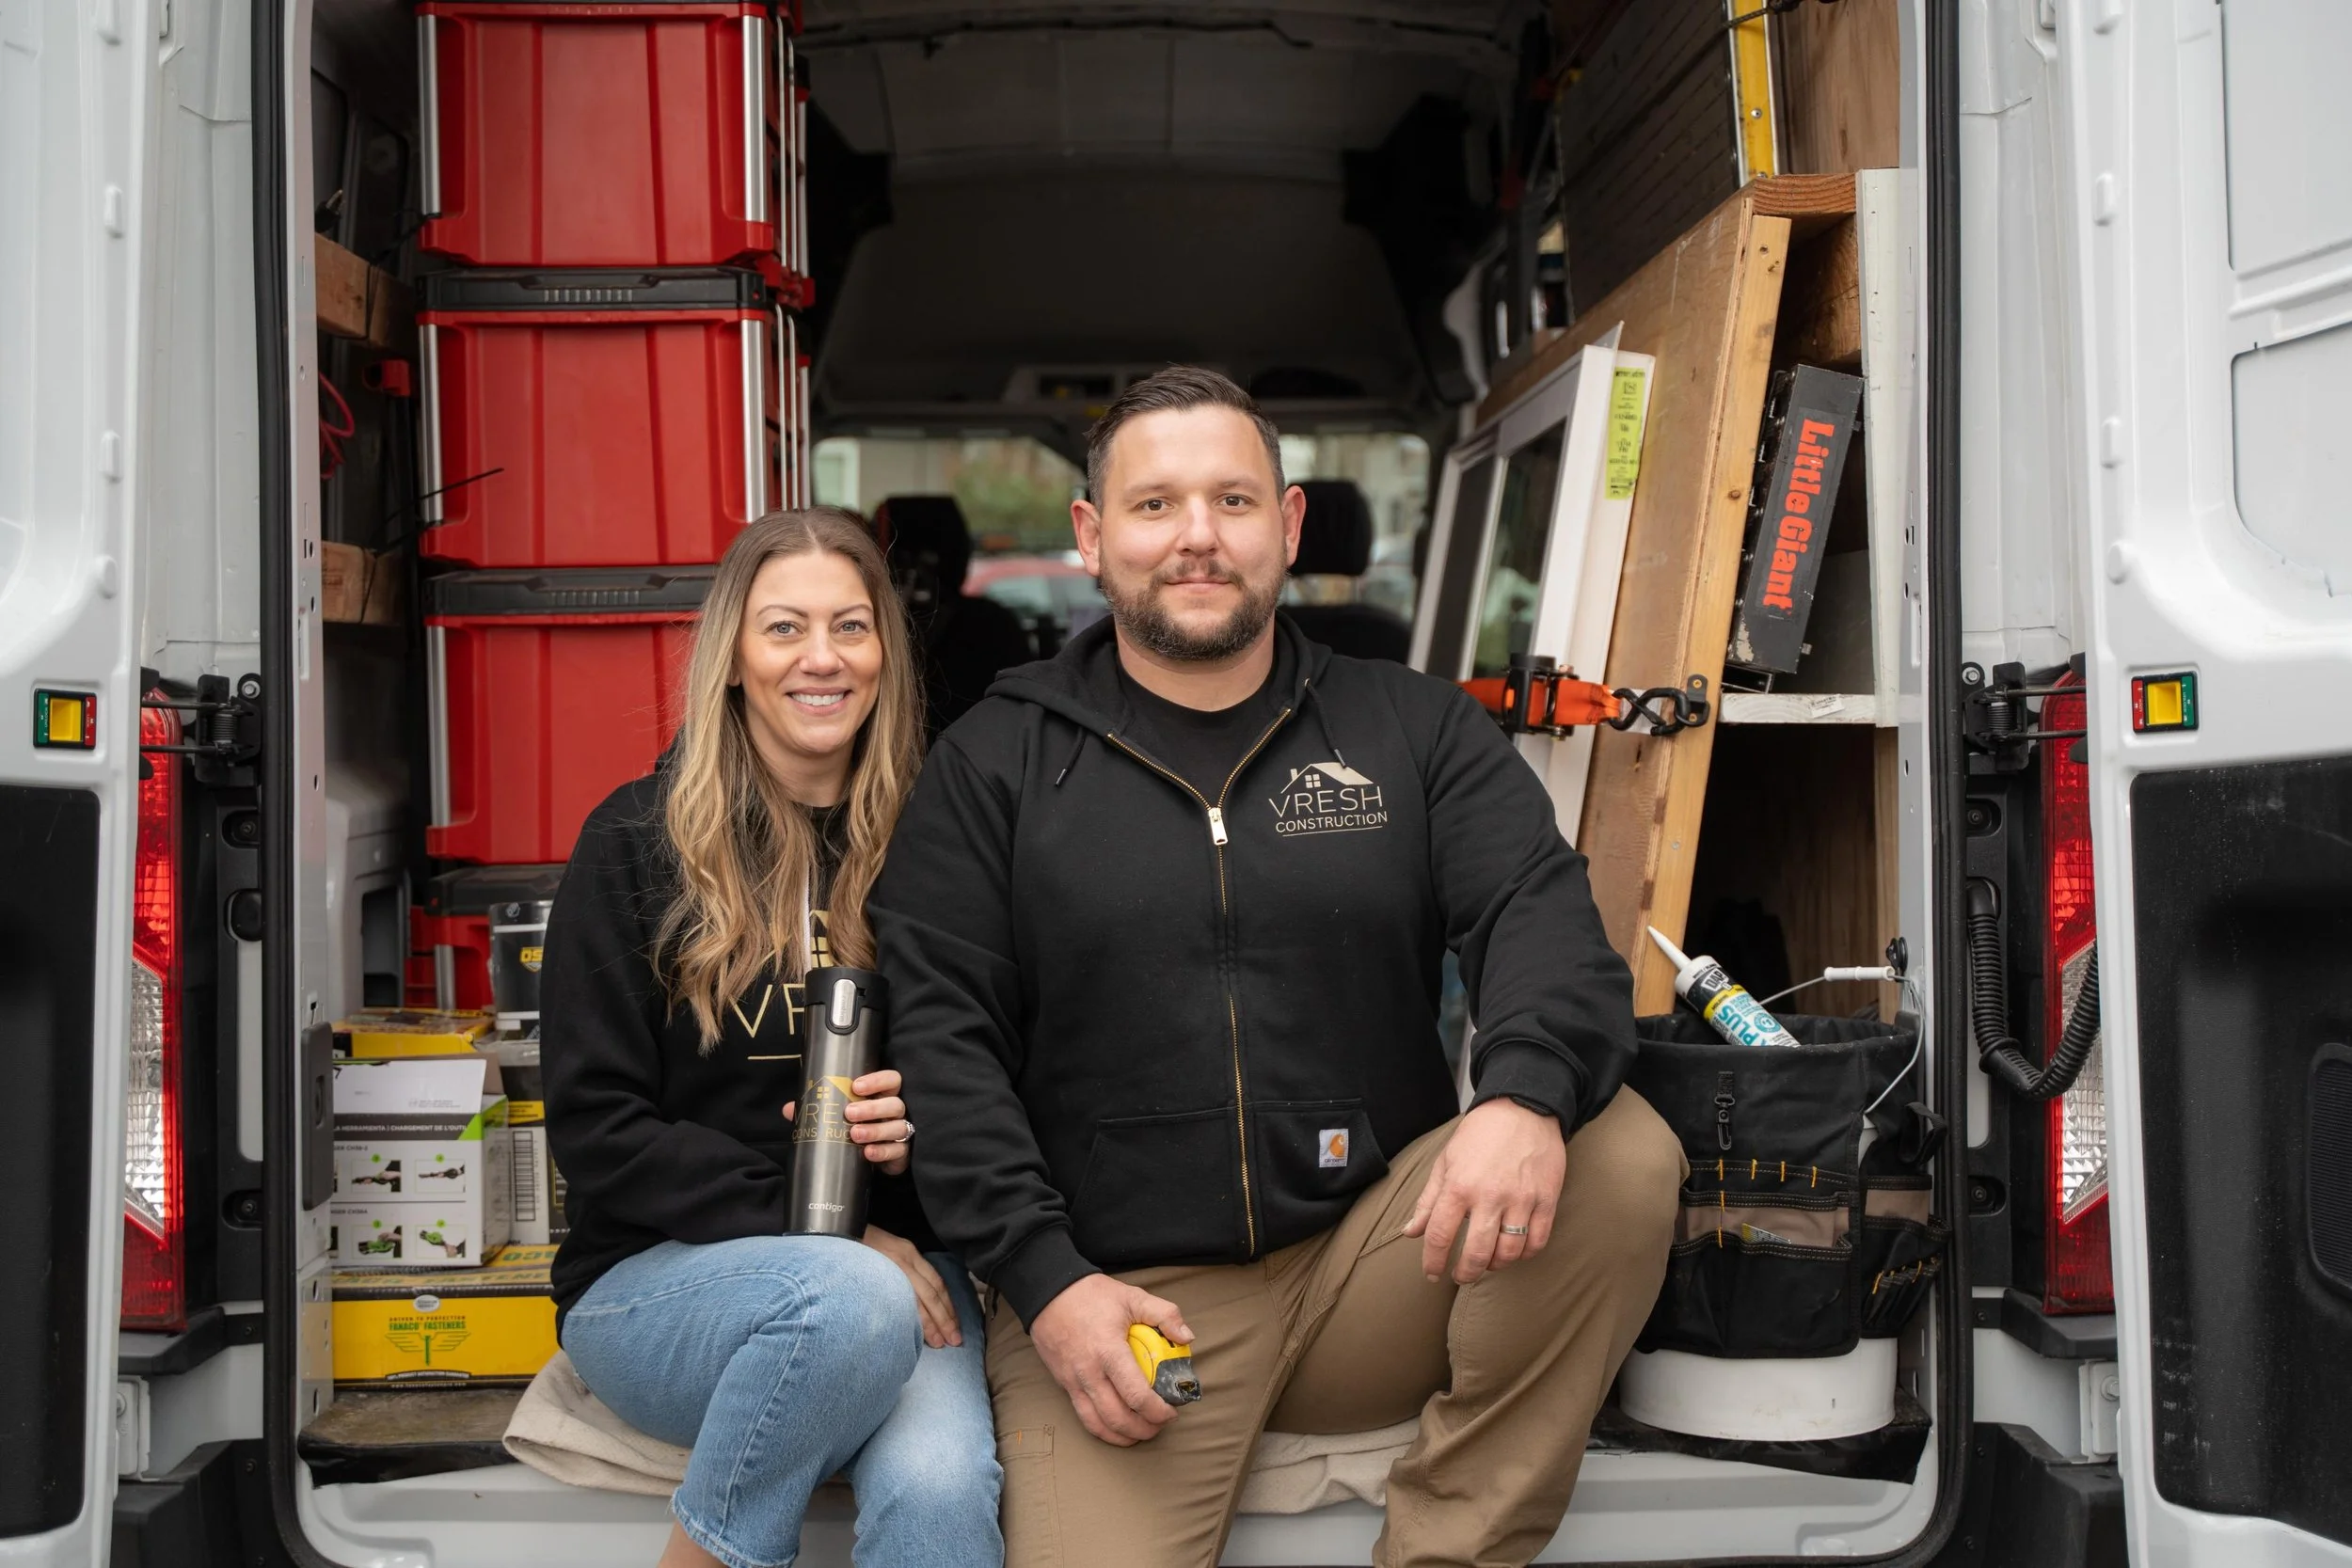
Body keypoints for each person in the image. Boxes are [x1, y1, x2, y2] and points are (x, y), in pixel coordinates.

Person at [871, 368, 1684, 1567]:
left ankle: (1451, 1547)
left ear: (1289, 525)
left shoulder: (1413, 728)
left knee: (1618, 1148)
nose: (1197, 536)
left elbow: (1540, 917)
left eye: (1234, 500)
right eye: (1155, 504)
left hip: (1381, 1264)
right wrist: (1046, 1282)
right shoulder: (990, 765)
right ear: (1092, 536)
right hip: (1123, 1309)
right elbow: (942, 1044)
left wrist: (1521, 1095)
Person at [542, 509, 1003, 1568]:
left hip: (902, 1271)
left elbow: (1002, 1084)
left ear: (885, 653)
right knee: (847, 1295)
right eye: (785, 627)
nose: (821, 657)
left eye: (850, 626)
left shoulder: (943, 843)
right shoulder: (636, 840)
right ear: (735, 656)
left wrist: (917, 1140)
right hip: (661, 1280)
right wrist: (824, 1227)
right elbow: (597, 1127)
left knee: (939, 1485)